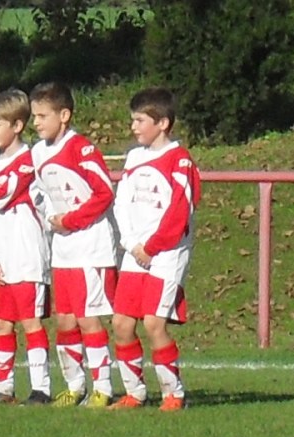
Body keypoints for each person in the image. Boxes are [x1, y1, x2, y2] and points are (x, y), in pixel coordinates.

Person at [108, 87, 200, 411]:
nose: (133, 127)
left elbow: (179, 210)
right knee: (121, 323)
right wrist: (132, 244)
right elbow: (121, 203)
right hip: (136, 251)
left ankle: (173, 394)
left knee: (153, 324)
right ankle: (134, 393)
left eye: (140, 120)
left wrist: (153, 246)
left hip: (166, 253)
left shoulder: (180, 160)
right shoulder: (134, 158)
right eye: (132, 120)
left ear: (162, 123)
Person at [29, 81, 117, 407]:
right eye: (34, 116)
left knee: (87, 318)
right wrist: (51, 218)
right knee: (65, 319)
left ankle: (103, 388)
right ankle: (75, 386)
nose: (36, 122)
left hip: (90, 246)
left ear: (64, 115)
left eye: (42, 116)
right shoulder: (38, 152)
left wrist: (71, 220)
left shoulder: (81, 148)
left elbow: (104, 192)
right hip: (63, 250)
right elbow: (40, 194)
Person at [0, 88, 52, 405]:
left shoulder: (27, 162)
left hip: (28, 256)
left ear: (17, 126)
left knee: (30, 321)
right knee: (2, 323)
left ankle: (41, 388)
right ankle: (3, 389)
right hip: (3, 258)